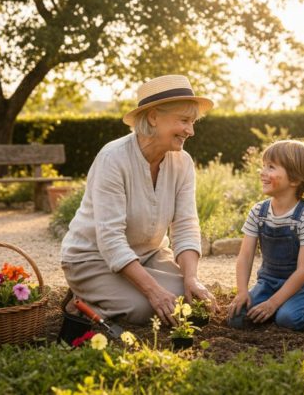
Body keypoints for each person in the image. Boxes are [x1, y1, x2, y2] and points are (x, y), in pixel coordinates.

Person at [60, 74, 217, 326]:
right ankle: (83, 299)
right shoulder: (113, 159)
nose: (191, 131)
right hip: (92, 259)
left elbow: (186, 225)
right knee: (145, 308)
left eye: (193, 122)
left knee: (189, 300)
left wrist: (191, 278)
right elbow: (110, 239)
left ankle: (110, 296)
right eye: (184, 121)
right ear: (154, 117)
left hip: (149, 255)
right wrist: (153, 291)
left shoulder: (183, 163)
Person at [228, 139, 304, 331]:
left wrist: (273, 303)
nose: (262, 172)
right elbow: (245, 256)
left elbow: (303, 271)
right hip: (268, 282)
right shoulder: (258, 211)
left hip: (303, 285)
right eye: (263, 166)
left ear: (294, 179)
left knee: (288, 319)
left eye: (271, 167)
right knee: (237, 318)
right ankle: (277, 307)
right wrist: (242, 291)